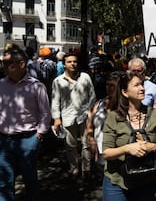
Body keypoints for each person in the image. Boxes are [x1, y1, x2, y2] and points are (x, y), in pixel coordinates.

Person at [102, 70, 156, 200]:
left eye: (142, 84)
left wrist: (152, 147)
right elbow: (106, 153)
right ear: (125, 92)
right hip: (117, 181)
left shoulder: (154, 114)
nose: (142, 88)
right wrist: (127, 149)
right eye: (136, 85)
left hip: (146, 180)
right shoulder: (114, 117)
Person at [0, 47, 51, 200]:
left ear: (22, 64)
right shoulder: (1, 84)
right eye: (3, 63)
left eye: (7, 63)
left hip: (28, 139)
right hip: (4, 141)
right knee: (4, 181)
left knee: (30, 179)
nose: (3, 66)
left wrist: (39, 135)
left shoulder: (36, 86)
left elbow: (45, 113)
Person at [51, 53, 96, 180]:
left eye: (74, 61)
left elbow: (92, 95)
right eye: (69, 62)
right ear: (64, 64)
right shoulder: (58, 81)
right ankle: (74, 169)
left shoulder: (85, 77)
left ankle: (86, 169)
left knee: (86, 144)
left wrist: (90, 110)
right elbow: (55, 101)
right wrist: (56, 118)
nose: (72, 64)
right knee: (70, 146)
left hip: (84, 116)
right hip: (67, 117)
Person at [86, 71, 121, 181]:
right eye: (107, 84)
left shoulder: (125, 106)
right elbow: (90, 126)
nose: (109, 88)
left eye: (113, 85)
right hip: (101, 152)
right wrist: (92, 141)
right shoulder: (99, 104)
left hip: (119, 153)